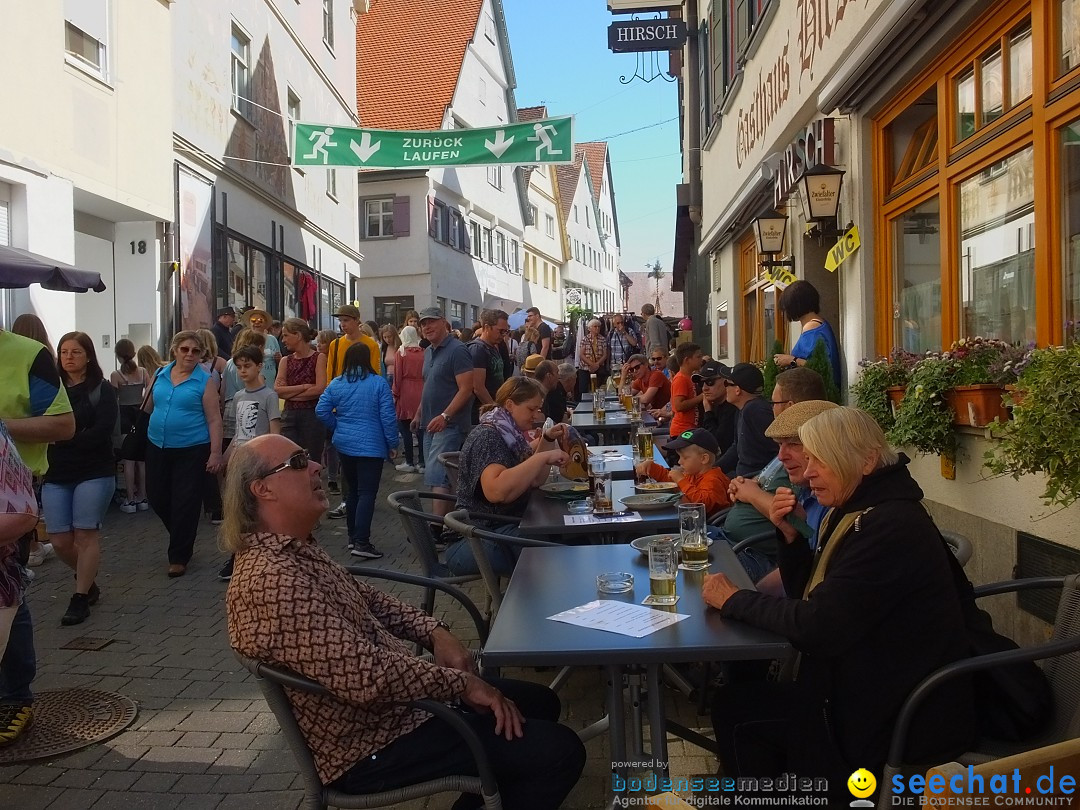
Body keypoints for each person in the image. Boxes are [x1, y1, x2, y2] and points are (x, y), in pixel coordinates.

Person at [224, 433, 585, 808]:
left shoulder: (294, 549)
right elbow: (366, 676)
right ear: (262, 489)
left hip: (399, 711)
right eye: (299, 463)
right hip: (370, 746)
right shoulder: (270, 580)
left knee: (539, 702)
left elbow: (371, 600)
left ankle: (488, 785)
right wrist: (459, 685)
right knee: (559, 753)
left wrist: (435, 631)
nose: (317, 467)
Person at [703, 408, 976, 802]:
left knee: (738, 713)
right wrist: (792, 539)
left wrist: (734, 599)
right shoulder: (856, 508)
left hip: (896, 713)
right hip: (866, 683)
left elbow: (819, 627)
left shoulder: (887, 525)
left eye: (818, 459)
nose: (807, 471)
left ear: (865, 461)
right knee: (742, 693)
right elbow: (813, 600)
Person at [0, 326, 74, 746]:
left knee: (6, 589)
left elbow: (63, 425)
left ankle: (14, 695)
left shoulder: (29, 354)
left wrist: (0, 426)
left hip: (11, 496)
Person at [445, 378, 568, 576]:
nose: (536, 416)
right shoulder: (488, 436)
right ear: (510, 405)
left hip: (496, 528)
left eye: (538, 410)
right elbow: (497, 492)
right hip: (473, 539)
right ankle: (528, 604)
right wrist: (544, 456)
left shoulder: (508, 434)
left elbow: (535, 479)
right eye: (531, 409)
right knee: (553, 557)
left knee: (560, 544)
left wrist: (547, 439)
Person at [718, 369, 830, 583]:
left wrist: (751, 494)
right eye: (780, 445)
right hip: (737, 543)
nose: (781, 455)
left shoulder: (821, 495)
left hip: (750, 552)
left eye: (774, 402)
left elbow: (817, 594)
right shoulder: (809, 488)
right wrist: (746, 485)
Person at [42, 332, 118, 625]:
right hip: (57, 471)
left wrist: (61, 437)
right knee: (60, 540)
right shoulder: (49, 389)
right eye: (64, 352)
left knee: (85, 533)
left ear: (88, 355)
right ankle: (88, 579)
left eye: (75, 352)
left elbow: (102, 431)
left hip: (94, 470)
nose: (69, 357)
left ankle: (80, 597)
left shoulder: (103, 389)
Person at [144, 331, 224, 577]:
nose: (190, 354)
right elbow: (147, 407)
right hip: (157, 445)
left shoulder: (204, 380)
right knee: (157, 496)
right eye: (185, 349)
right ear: (175, 350)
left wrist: (215, 453)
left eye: (195, 351)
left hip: (192, 448)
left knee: (185, 502)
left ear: (201, 354)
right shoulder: (160, 374)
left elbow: (214, 419)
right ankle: (182, 533)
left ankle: (179, 556)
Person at [316, 342, 398, 560]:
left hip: (344, 444)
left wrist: (338, 426)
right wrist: (392, 444)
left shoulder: (337, 383)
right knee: (367, 493)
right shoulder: (378, 384)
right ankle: (362, 541)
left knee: (352, 492)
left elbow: (321, 409)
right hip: (372, 446)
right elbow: (388, 418)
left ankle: (352, 537)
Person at [217, 344, 283, 581]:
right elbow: (238, 432)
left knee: (259, 512)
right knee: (239, 510)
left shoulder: (269, 395)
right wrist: (226, 457)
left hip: (261, 460)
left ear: (258, 366)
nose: (243, 371)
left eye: (248, 366)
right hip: (241, 460)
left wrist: (273, 461)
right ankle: (237, 557)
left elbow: (275, 431)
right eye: (239, 367)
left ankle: (264, 555)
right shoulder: (238, 396)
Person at [414, 307, 474, 518]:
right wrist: (419, 413)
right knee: (438, 477)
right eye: (423, 323)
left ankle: (436, 528)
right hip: (430, 423)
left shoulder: (457, 350)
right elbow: (429, 385)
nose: (426, 326)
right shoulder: (429, 350)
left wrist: (445, 416)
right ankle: (447, 525)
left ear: (444, 322)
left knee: (439, 476)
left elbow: (467, 388)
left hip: (450, 425)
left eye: (431, 321)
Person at [324, 305, 383, 519]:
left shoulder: (370, 344)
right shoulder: (336, 344)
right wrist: (332, 404)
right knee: (343, 455)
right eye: (341, 320)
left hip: (364, 403)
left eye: (346, 320)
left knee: (362, 455)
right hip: (342, 404)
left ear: (357, 320)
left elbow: (376, 373)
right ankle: (347, 501)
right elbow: (331, 373)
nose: (343, 324)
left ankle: (361, 498)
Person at [9, 314, 58, 568]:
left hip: (15, 462)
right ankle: (33, 546)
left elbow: (61, 422)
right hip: (31, 459)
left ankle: (31, 548)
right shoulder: (44, 356)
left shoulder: (29, 356)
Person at [635, 428, 731, 517]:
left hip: (710, 527)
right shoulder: (693, 474)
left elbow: (703, 504)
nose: (679, 462)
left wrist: (681, 480)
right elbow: (670, 481)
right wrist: (652, 468)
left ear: (704, 459)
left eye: (685, 457)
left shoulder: (713, 479)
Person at [274, 318, 326, 469]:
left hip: (312, 415)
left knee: (312, 460)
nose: (283, 340)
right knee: (289, 459)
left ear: (298, 335)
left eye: (286, 335)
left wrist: (289, 392)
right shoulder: (285, 360)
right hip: (289, 415)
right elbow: (277, 390)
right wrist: (304, 386)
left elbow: (320, 389)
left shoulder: (318, 357)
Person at [774, 280, 841, 390]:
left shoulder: (812, 329)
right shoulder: (820, 324)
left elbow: (819, 366)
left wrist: (791, 360)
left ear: (795, 306)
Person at [715, 363, 777, 478]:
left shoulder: (756, 411)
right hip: (743, 478)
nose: (725, 388)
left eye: (726, 384)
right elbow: (736, 447)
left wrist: (758, 480)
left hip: (755, 482)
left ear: (737, 390)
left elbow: (777, 453)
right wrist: (714, 470)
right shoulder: (742, 409)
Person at [110, 339, 150, 514]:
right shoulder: (142, 372)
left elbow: (112, 399)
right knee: (141, 459)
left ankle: (130, 499)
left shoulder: (116, 375)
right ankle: (143, 496)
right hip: (141, 413)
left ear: (118, 355)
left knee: (128, 460)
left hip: (124, 415)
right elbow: (150, 392)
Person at [392, 325, 425, 473]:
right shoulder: (423, 352)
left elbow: (397, 376)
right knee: (420, 429)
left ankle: (409, 462)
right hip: (421, 390)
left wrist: (395, 393)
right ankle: (423, 462)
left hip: (406, 390)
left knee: (404, 428)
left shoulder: (401, 352)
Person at [468, 309, 510, 425]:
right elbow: (478, 388)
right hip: (481, 415)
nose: (503, 335)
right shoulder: (477, 349)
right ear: (486, 327)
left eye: (506, 331)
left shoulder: (493, 347)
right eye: (501, 331)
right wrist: (495, 411)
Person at [316, 329, 342, 495]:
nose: (319, 345)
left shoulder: (335, 360)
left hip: (332, 406)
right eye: (318, 341)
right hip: (319, 404)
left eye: (322, 342)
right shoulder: (316, 359)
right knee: (323, 444)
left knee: (331, 444)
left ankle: (332, 477)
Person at [694, 360, 737, 454]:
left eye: (710, 382)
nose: (704, 388)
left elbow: (717, 445)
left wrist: (708, 413)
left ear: (725, 381)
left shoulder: (733, 407)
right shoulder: (713, 404)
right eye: (701, 383)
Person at [668, 342, 704, 437]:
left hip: (691, 428)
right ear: (687, 360)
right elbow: (679, 405)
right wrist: (702, 397)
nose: (701, 359)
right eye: (698, 357)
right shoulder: (680, 379)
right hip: (682, 432)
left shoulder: (691, 377)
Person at [242, 308, 282, 383]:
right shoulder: (246, 339)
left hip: (270, 382)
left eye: (260, 320)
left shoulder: (272, 339)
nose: (257, 322)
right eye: (253, 320)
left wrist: (279, 359)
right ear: (249, 323)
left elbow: (280, 363)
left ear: (266, 323)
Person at [576, 318, 608, 394]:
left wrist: (597, 364)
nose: (597, 328)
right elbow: (581, 354)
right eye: (595, 326)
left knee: (597, 388)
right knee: (583, 389)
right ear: (590, 328)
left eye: (599, 327)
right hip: (585, 368)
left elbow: (605, 354)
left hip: (598, 368)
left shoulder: (602, 339)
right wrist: (592, 364)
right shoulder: (585, 339)